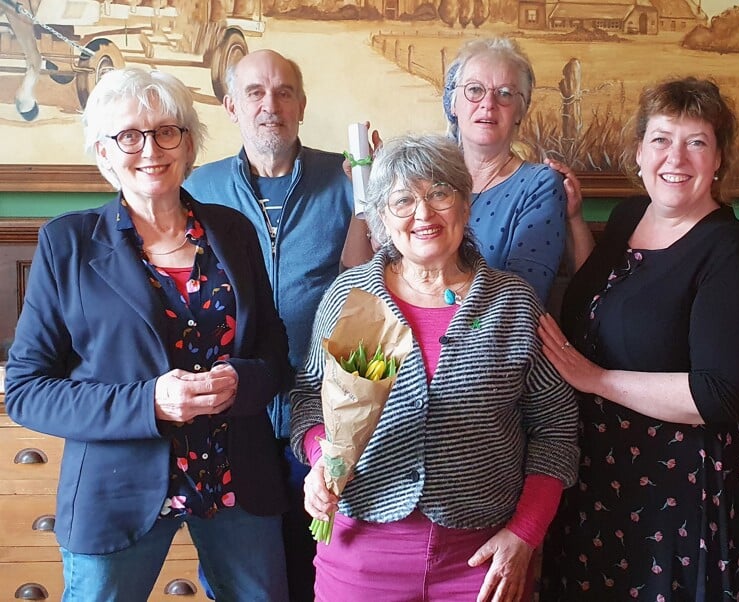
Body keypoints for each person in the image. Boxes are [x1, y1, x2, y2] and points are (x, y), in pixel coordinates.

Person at [4, 67, 291, 600]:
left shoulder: (233, 231)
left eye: (166, 131)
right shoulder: (67, 243)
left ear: (188, 144)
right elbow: (25, 391)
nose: (150, 149)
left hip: (238, 482)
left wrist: (242, 381)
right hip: (116, 490)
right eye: (128, 135)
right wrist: (149, 403)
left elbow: (274, 352)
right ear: (103, 153)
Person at [291, 134, 580, 601]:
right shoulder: (353, 297)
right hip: (362, 550)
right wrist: (321, 456)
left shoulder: (511, 304)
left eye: (439, 194)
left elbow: (556, 428)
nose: (423, 214)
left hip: (482, 559)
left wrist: (525, 534)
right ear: (382, 217)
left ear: (465, 206)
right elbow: (308, 397)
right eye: (403, 200)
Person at [538, 77, 739, 601]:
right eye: (662, 138)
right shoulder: (627, 216)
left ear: (718, 161)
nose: (677, 157)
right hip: (603, 469)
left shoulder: (726, 251)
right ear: (640, 151)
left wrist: (593, 379)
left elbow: (719, 395)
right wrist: (576, 221)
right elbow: (614, 299)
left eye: (697, 142)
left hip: (679, 489)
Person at [184, 49, 359, 600]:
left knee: (326, 575)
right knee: (247, 584)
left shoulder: (348, 178)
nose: (270, 105)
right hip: (235, 427)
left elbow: (377, 279)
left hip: (332, 419)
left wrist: (375, 184)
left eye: (284, 92)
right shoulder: (196, 190)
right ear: (231, 106)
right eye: (255, 93)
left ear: (302, 105)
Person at [347, 37, 572, 302]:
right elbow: (357, 273)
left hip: (489, 336)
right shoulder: (418, 177)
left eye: (505, 93)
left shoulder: (539, 184)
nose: (488, 102)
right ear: (453, 104)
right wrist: (370, 188)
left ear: (520, 111)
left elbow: (522, 298)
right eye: (475, 90)